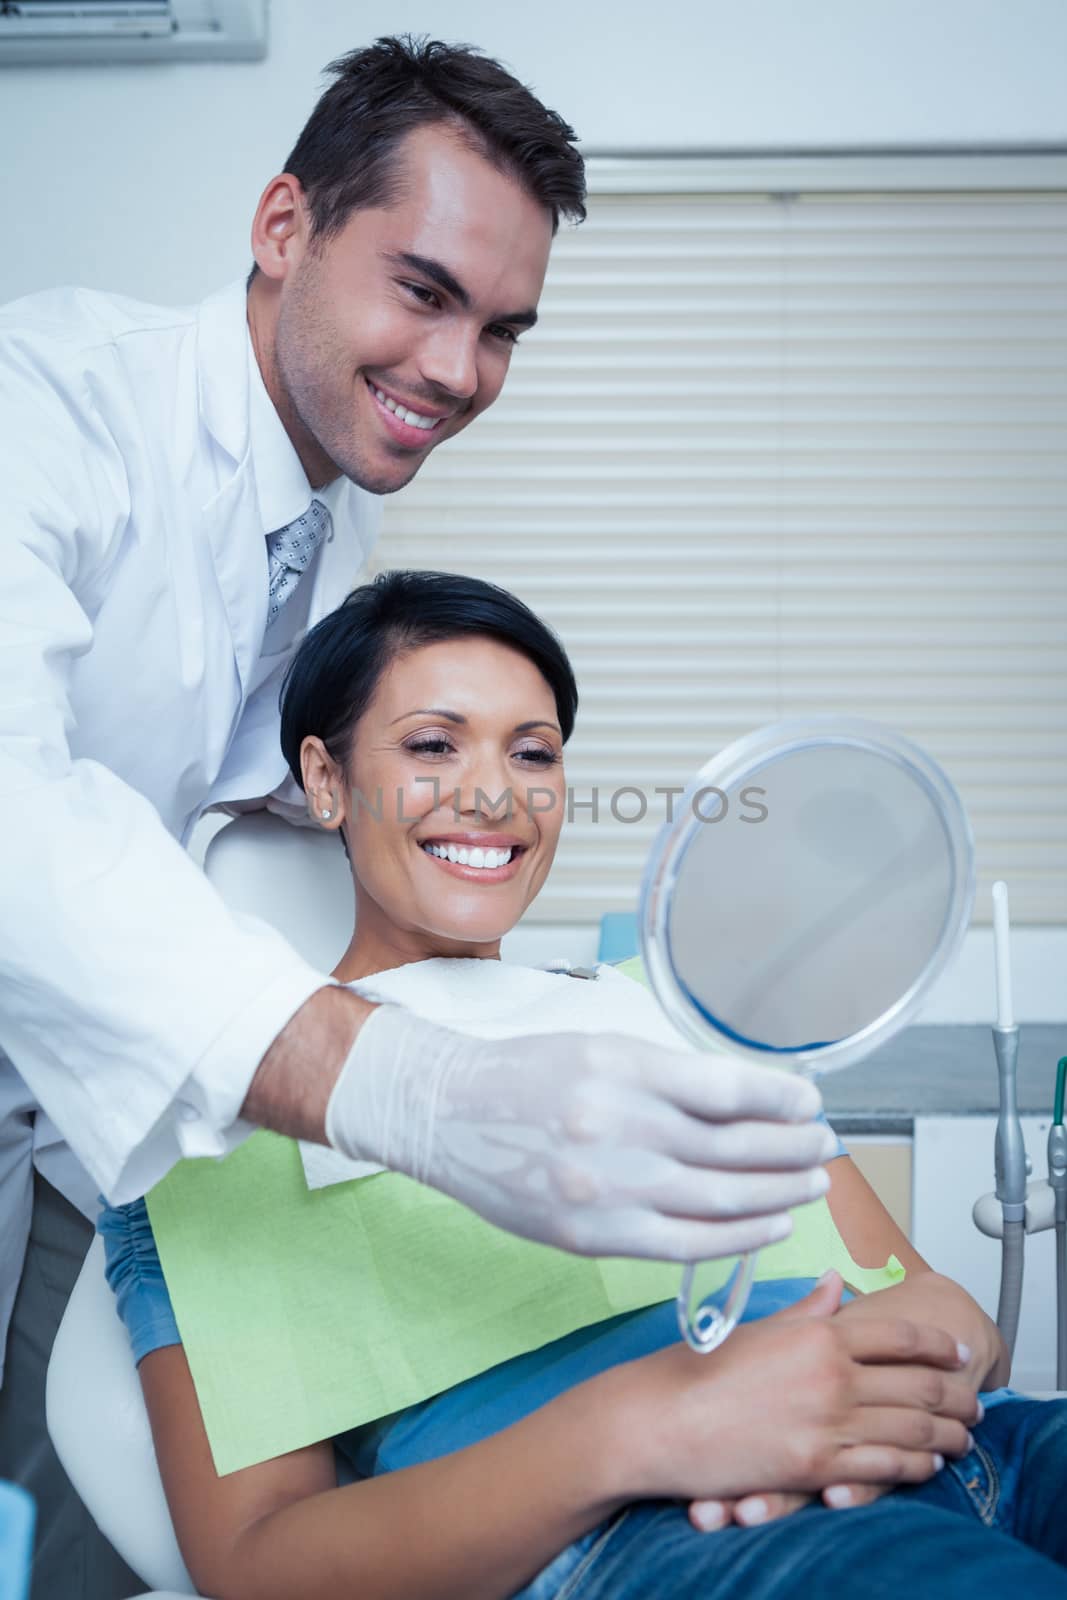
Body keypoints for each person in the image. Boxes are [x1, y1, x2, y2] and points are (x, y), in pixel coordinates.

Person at [0, 35, 828, 1599]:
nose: (457, 371)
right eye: (423, 291)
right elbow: (15, 810)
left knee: (82, 1549)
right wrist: (415, 1093)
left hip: (97, 1101)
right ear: (281, 226)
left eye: (502, 328)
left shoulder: (333, 517)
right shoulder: (47, 405)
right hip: (101, 1060)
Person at [98, 569, 1066, 1600]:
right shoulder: (218, 1122)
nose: (494, 793)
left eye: (533, 753)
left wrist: (908, 1347)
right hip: (679, 1532)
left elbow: (944, 1310)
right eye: (433, 744)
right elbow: (255, 1558)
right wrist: (651, 1423)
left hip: (988, 1448)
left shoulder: (678, 1008)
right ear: (325, 779)